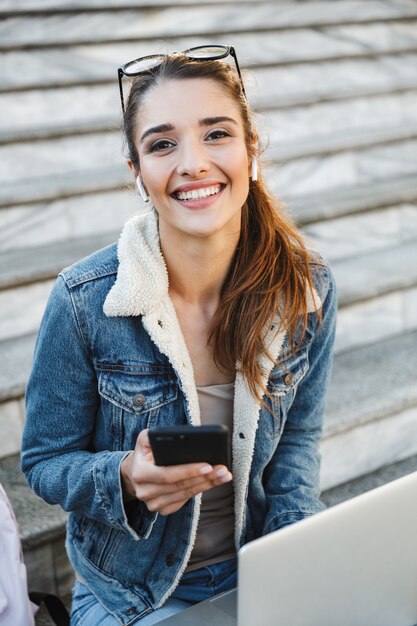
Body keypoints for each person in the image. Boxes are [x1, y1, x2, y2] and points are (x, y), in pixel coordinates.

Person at [21, 45, 337, 625]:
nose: (191, 163)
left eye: (216, 134)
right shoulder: (83, 300)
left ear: (252, 150)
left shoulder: (306, 287)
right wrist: (123, 477)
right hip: (132, 591)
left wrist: (300, 558)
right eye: (162, 144)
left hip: (259, 565)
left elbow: (296, 449)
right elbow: (44, 459)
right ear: (138, 174)